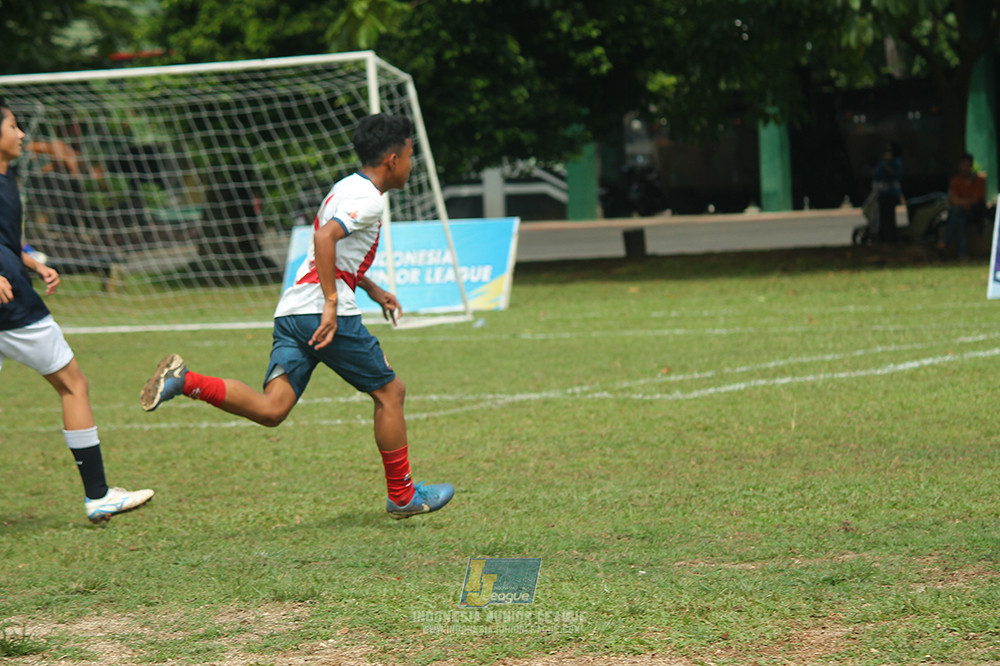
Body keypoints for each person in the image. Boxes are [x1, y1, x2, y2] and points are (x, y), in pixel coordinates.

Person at [140, 113, 454, 520]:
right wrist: (330, 304)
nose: (413, 164)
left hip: (291, 311)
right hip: (322, 314)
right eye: (411, 155)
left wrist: (372, 289)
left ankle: (186, 380)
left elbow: (332, 253)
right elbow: (326, 239)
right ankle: (403, 496)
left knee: (273, 409)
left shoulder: (345, 187)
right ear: (393, 159)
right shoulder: (370, 199)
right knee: (390, 392)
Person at [0, 96, 154, 523]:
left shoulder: (8, 177)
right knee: (73, 384)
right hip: (13, 309)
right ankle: (99, 495)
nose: (21, 134)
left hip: (14, 291)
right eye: (12, 126)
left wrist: (32, 262)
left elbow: (6, 240)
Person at [938, 152, 987, 260]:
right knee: (959, 217)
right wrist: (965, 203)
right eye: (963, 164)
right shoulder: (956, 181)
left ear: (971, 165)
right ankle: (963, 254)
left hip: (974, 213)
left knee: (957, 211)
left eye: (968, 164)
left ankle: (945, 241)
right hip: (962, 213)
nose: (965, 167)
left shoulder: (979, 181)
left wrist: (962, 202)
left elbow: (977, 200)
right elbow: (953, 199)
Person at [872, 142, 904, 243]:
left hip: (891, 194)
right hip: (884, 193)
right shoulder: (883, 162)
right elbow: (877, 174)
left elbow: (897, 174)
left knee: (889, 218)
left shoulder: (895, 161)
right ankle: (884, 238)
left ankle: (891, 239)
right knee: (884, 217)